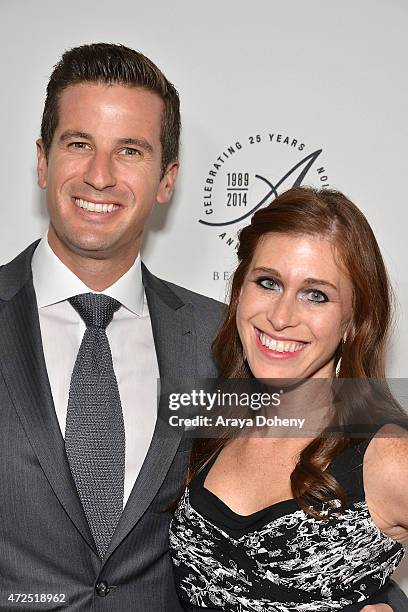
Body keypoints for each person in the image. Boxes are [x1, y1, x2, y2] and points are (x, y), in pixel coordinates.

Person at [0, 43, 223, 611]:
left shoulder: (219, 338)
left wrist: (377, 599)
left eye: (130, 150)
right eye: (79, 144)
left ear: (167, 179)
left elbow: (298, 499)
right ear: (43, 161)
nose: (99, 176)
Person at [170, 187, 408, 611]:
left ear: (353, 320)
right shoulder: (215, 421)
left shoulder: (389, 454)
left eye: (315, 294)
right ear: (240, 290)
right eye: (268, 282)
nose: (280, 317)